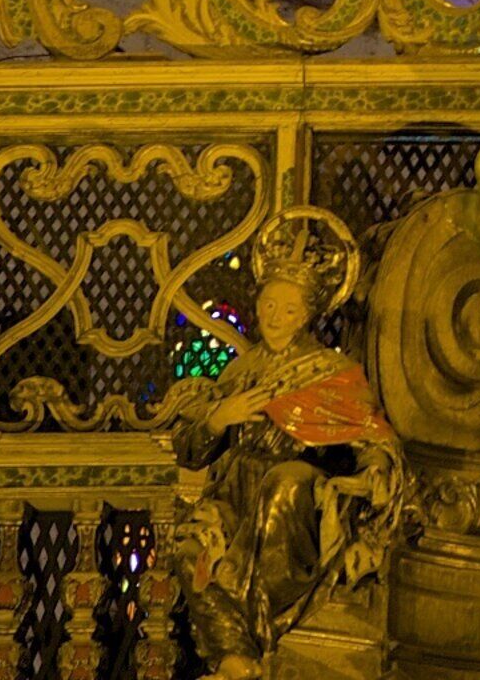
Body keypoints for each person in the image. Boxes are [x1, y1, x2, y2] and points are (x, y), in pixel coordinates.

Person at [171, 218, 402, 677]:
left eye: (289, 310)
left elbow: (374, 439)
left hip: (296, 505)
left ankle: (252, 635)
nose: (275, 317)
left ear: (308, 315)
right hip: (234, 496)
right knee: (191, 550)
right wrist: (220, 416)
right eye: (269, 303)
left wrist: (373, 469)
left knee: (284, 483)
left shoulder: (329, 371)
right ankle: (237, 659)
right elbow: (189, 450)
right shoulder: (241, 371)